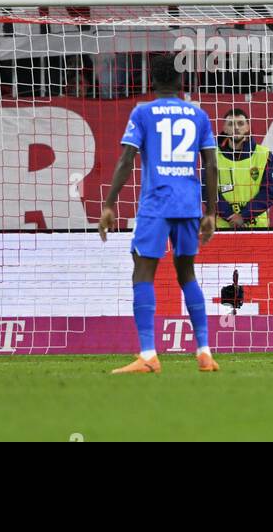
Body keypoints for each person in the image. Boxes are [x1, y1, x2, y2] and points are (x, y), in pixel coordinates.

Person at [99, 53, 219, 374]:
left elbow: (126, 159)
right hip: (189, 204)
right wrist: (211, 211)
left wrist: (110, 203)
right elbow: (211, 164)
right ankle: (204, 351)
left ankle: (149, 355)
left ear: (153, 82)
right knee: (187, 274)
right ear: (180, 82)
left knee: (143, 272)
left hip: (156, 204)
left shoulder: (143, 112)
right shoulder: (198, 114)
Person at [215, 108, 273, 229]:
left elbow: (268, 193)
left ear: (248, 127)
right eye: (231, 124)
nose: (236, 127)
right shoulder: (212, 155)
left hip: (258, 227)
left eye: (240, 123)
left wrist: (244, 216)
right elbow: (207, 192)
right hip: (223, 226)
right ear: (225, 128)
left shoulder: (264, 154)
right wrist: (229, 215)